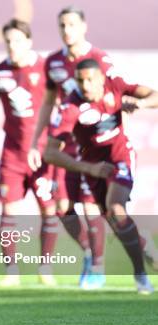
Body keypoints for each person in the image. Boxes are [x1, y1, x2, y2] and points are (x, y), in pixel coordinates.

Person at [44, 58, 158, 294]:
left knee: (115, 207)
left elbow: (154, 95)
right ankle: (138, 243)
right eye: (80, 80)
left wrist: (140, 103)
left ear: (101, 79)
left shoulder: (115, 84)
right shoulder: (70, 107)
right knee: (110, 218)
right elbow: (50, 152)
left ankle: (140, 275)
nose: (85, 86)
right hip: (93, 166)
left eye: (90, 80)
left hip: (120, 158)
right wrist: (88, 169)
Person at [26, 6, 111, 289]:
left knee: (90, 205)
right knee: (62, 206)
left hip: (94, 142)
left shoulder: (100, 59)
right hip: (64, 143)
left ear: (83, 26)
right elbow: (48, 103)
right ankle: (90, 251)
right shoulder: (54, 62)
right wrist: (37, 141)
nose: (67, 30)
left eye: (72, 24)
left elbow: (114, 96)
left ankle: (98, 267)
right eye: (62, 25)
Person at [0, 19, 58, 287]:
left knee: (49, 210)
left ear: (29, 42)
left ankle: (45, 267)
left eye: (18, 40)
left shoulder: (46, 69)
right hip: (13, 154)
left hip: (43, 155)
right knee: (8, 211)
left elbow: (63, 107)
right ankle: (11, 271)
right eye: (8, 41)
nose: (12, 46)